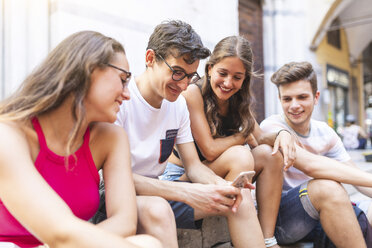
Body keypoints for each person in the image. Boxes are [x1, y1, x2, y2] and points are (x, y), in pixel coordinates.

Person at [108, 20, 268, 248]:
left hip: (160, 192)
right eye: (177, 73)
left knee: (235, 198)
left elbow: (193, 166)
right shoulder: (121, 101)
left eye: (190, 76)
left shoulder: (177, 105)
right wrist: (183, 191)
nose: (183, 85)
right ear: (150, 58)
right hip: (120, 197)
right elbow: (113, 179)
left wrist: (219, 185)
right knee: (158, 209)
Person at [0, 31, 161, 248]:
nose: (127, 94)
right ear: (88, 71)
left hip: (67, 243)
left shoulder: (111, 138)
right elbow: (60, 232)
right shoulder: (8, 134)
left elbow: (124, 222)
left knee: (149, 244)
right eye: (123, 80)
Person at [160, 35, 296, 248]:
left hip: (214, 173)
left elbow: (260, 139)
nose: (228, 83)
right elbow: (210, 150)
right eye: (223, 73)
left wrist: (282, 134)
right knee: (240, 156)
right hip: (182, 176)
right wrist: (242, 136)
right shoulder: (193, 93)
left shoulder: (238, 100)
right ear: (210, 68)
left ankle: (267, 239)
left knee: (270, 155)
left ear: (245, 79)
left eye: (237, 77)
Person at [260, 61, 372, 247]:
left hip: (318, 216)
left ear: (316, 97)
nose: (294, 105)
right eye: (287, 99)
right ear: (280, 100)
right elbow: (311, 164)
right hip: (281, 219)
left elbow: (355, 177)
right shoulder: (272, 127)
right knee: (327, 187)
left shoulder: (325, 132)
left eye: (302, 97)